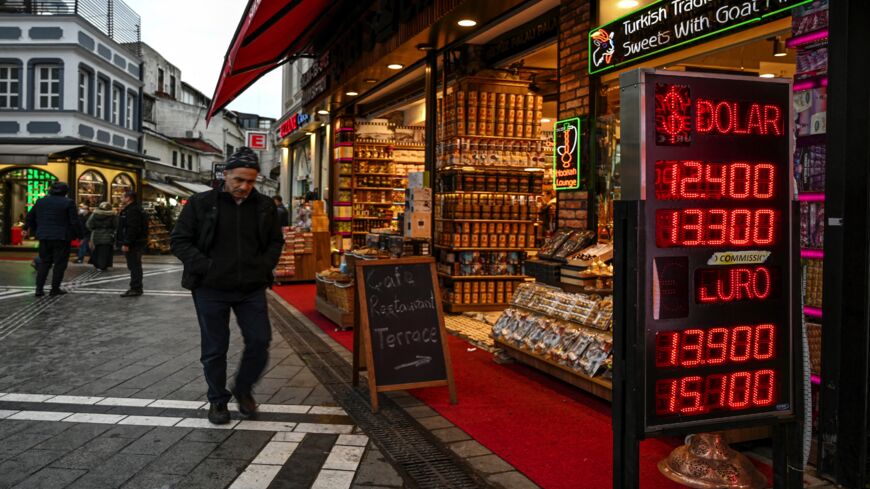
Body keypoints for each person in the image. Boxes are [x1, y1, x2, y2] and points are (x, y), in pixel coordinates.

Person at [171, 147, 284, 425]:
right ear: (226, 175)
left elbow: (274, 242)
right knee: (215, 347)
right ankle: (217, 401)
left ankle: (243, 388)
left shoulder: (265, 206)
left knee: (260, 340)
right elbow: (179, 241)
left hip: (251, 288)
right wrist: (206, 267)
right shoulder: (201, 203)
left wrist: (262, 266)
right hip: (210, 288)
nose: (244, 187)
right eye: (239, 180)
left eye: (250, 181)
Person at [23, 181, 83, 297]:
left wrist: (28, 228)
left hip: (44, 236)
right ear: (66, 191)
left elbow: (30, 217)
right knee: (59, 264)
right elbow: (74, 221)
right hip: (61, 237)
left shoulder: (41, 201)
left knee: (44, 263)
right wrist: (80, 236)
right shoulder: (68, 202)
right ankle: (55, 289)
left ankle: (39, 289)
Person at [117, 190, 148, 297]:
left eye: (122, 197)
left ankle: (136, 288)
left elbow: (132, 228)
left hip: (134, 243)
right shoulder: (135, 209)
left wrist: (127, 243)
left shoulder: (133, 210)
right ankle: (136, 287)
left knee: (134, 265)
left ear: (128, 198)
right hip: (137, 242)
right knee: (135, 265)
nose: (121, 198)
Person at [86, 202, 117, 271]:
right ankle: (102, 265)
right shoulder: (112, 215)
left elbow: (89, 224)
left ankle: (98, 265)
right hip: (108, 235)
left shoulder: (94, 214)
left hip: (96, 235)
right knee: (105, 251)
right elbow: (116, 225)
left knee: (97, 250)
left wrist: (94, 229)